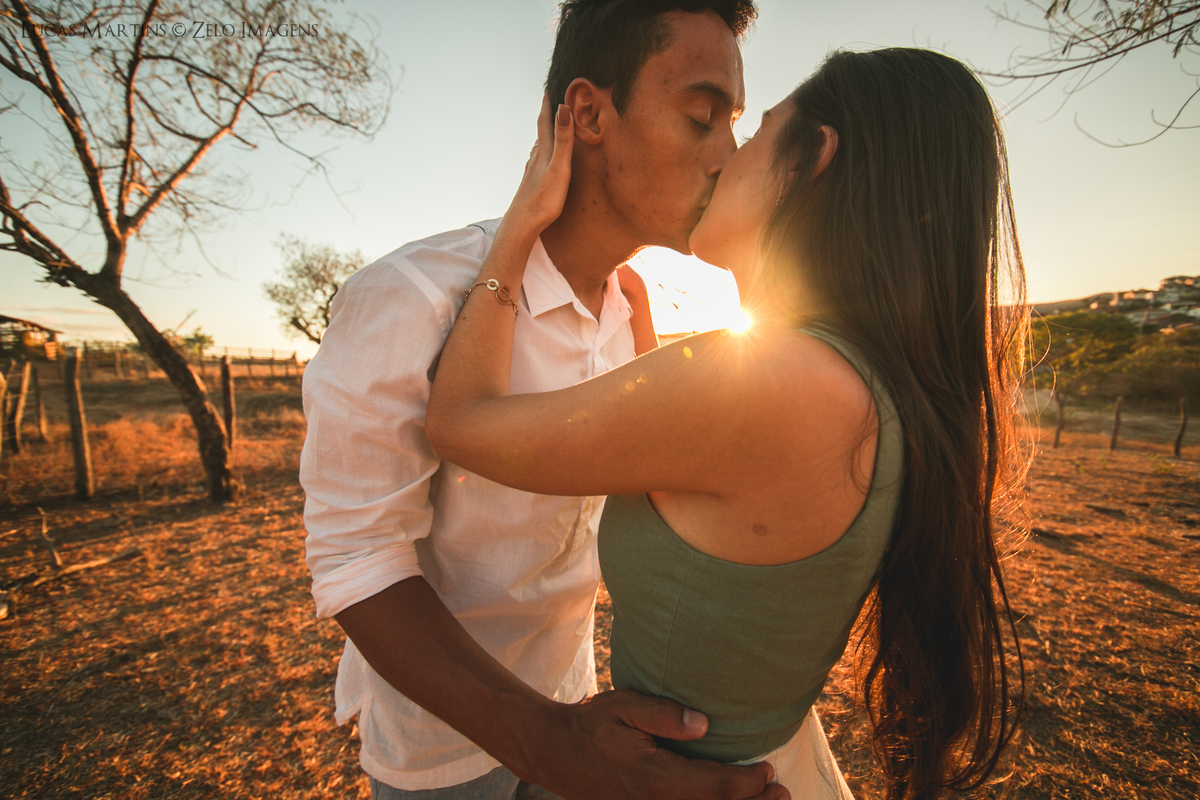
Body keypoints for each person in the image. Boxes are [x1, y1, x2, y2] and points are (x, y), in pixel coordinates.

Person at [426, 47, 1031, 800]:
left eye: (753, 131)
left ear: (817, 156)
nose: (722, 158)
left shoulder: (775, 384)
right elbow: (705, 493)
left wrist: (518, 229)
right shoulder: (856, 381)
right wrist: (645, 337)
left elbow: (460, 422)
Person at [301, 2, 792, 799]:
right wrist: (547, 743)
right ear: (591, 114)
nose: (727, 158)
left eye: (733, 125)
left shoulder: (642, 311)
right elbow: (359, 557)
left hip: (584, 709)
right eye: (703, 118)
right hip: (443, 749)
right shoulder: (412, 297)